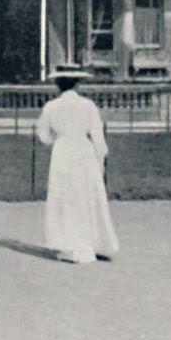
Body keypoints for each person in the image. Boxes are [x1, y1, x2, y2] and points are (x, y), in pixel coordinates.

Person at [35, 64, 118, 264]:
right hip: (83, 151)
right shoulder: (87, 106)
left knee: (65, 196)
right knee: (87, 194)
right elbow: (98, 137)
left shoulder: (51, 107)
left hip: (63, 151)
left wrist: (57, 139)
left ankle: (68, 246)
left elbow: (43, 135)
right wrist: (101, 159)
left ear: (58, 84)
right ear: (77, 84)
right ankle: (94, 244)